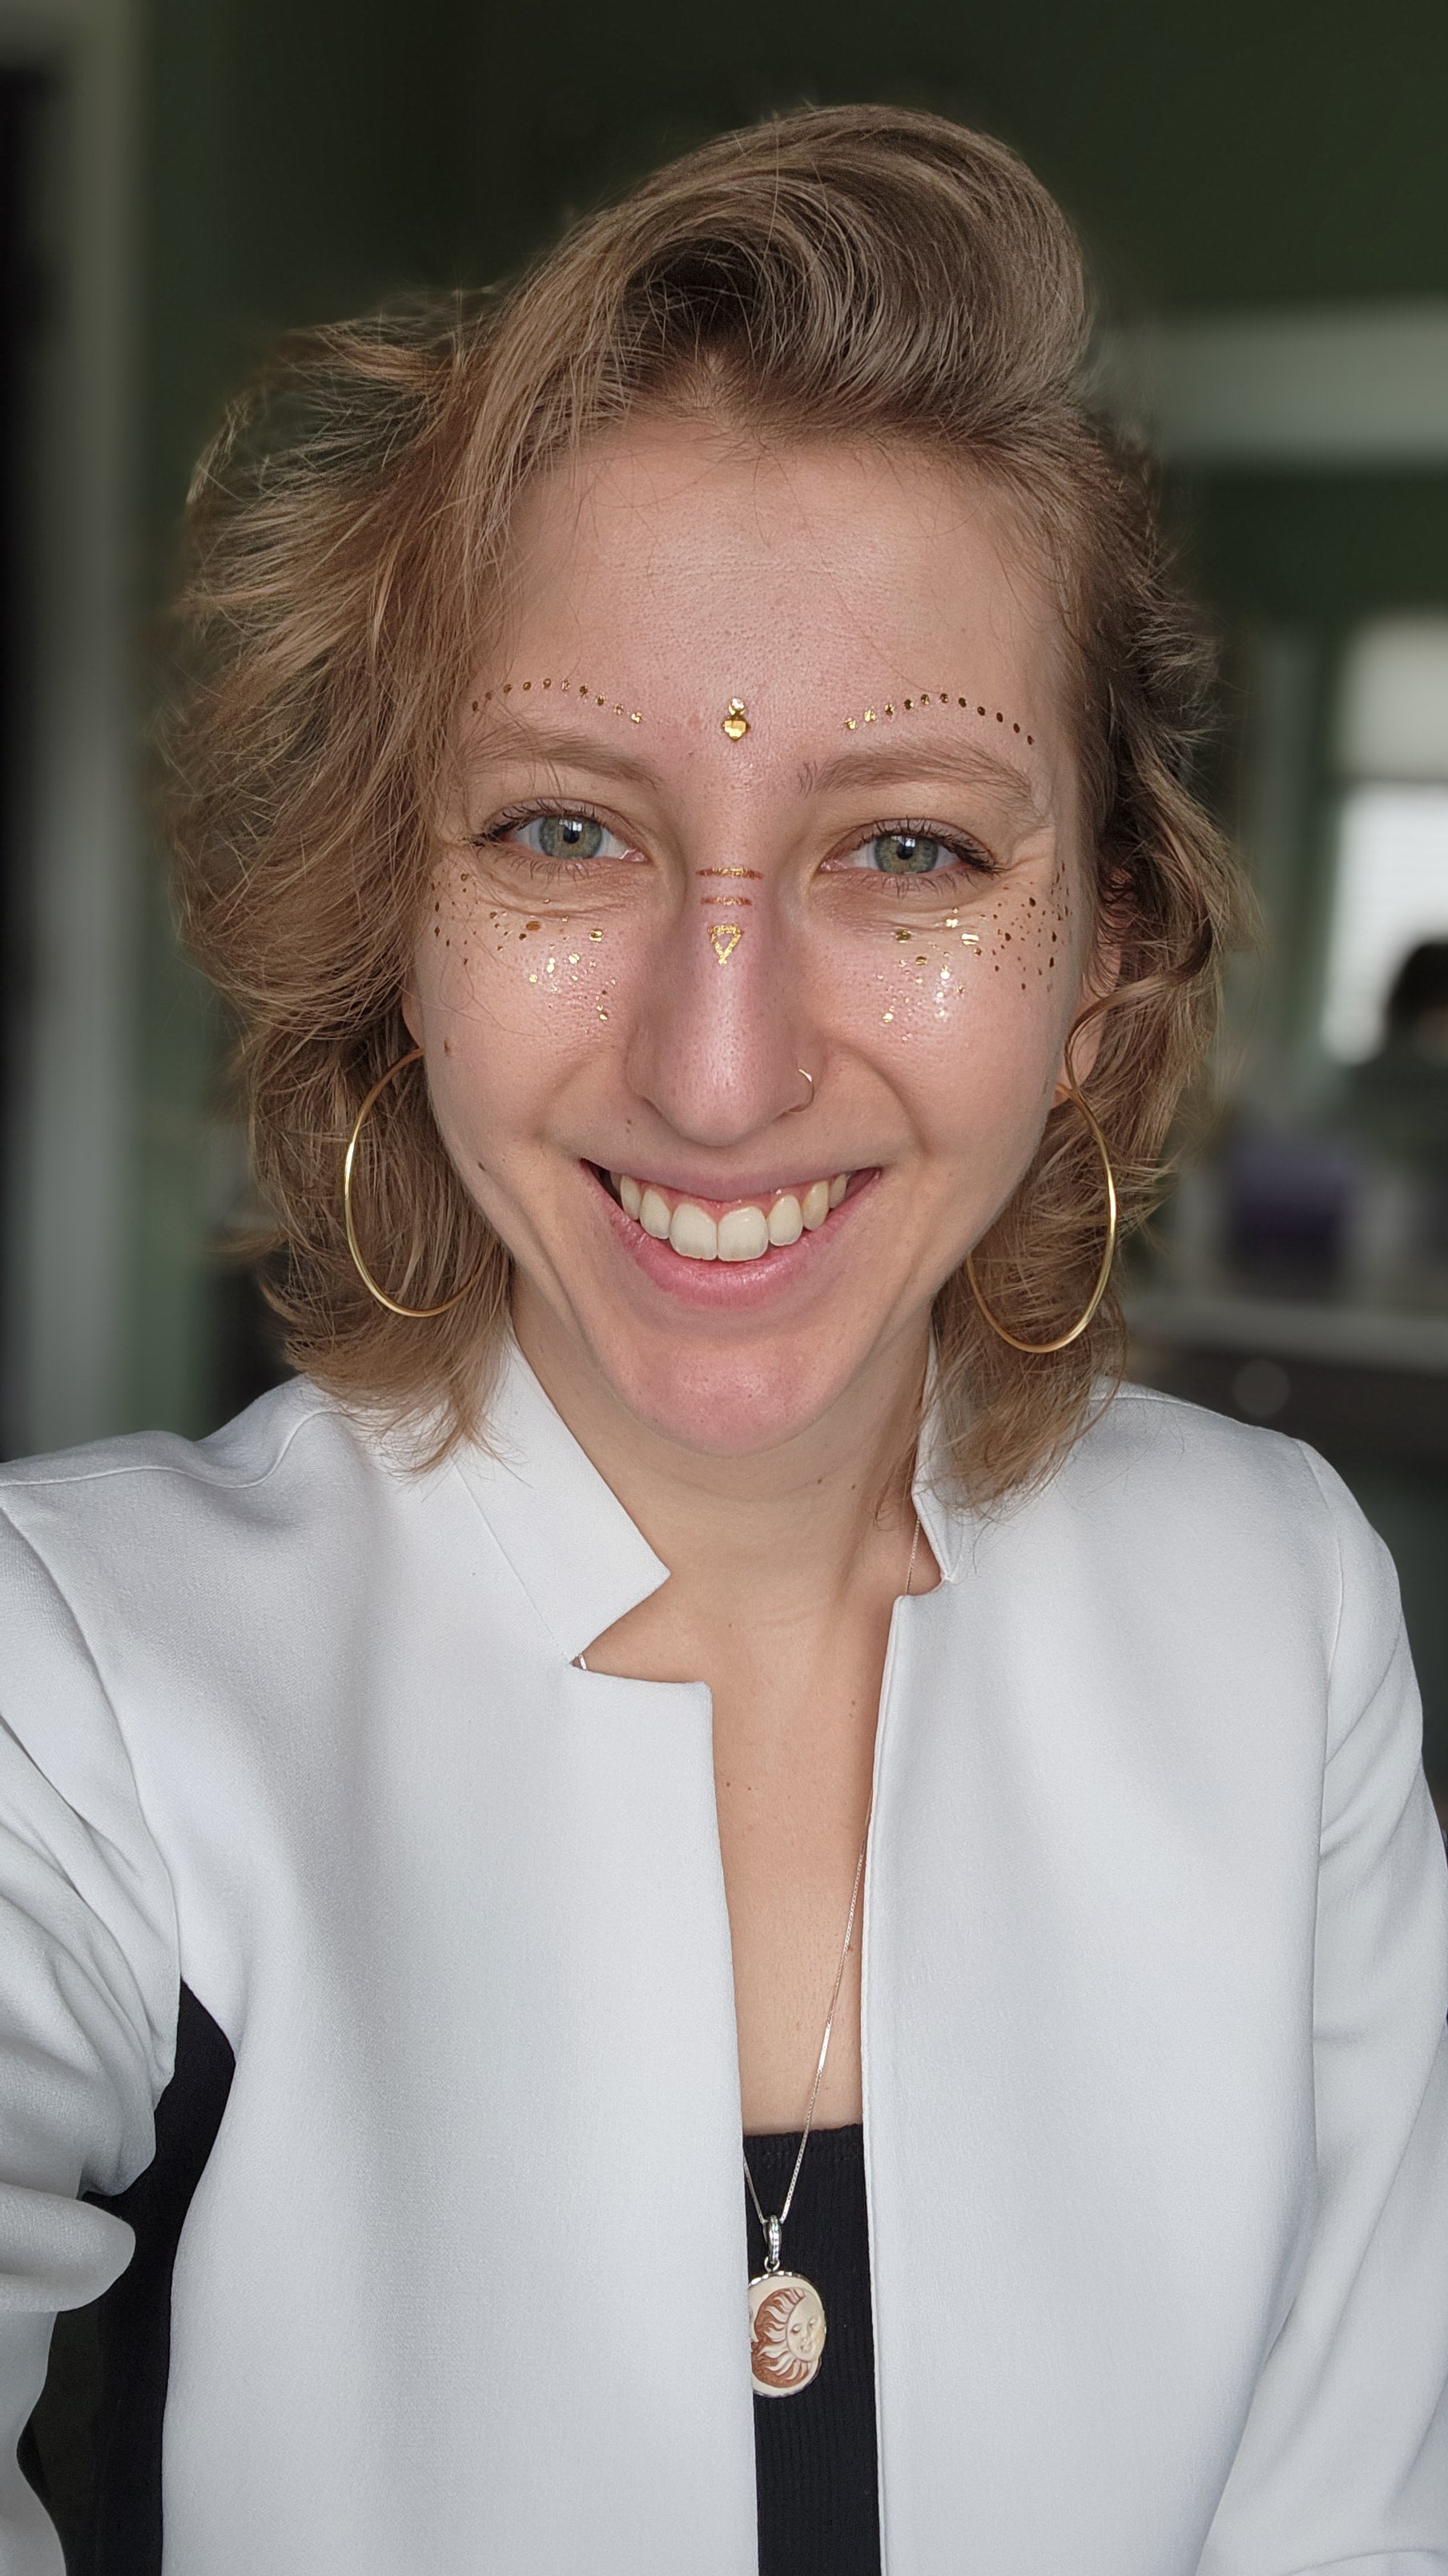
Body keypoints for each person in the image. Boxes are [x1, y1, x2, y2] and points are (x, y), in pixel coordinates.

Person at [2, 106, 1446, 2576]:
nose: (718, 1063)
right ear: (400, 914)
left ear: (1102, 958)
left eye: (912, 847)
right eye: (566, 827)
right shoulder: (86, 1678)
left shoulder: (1276, 1615)